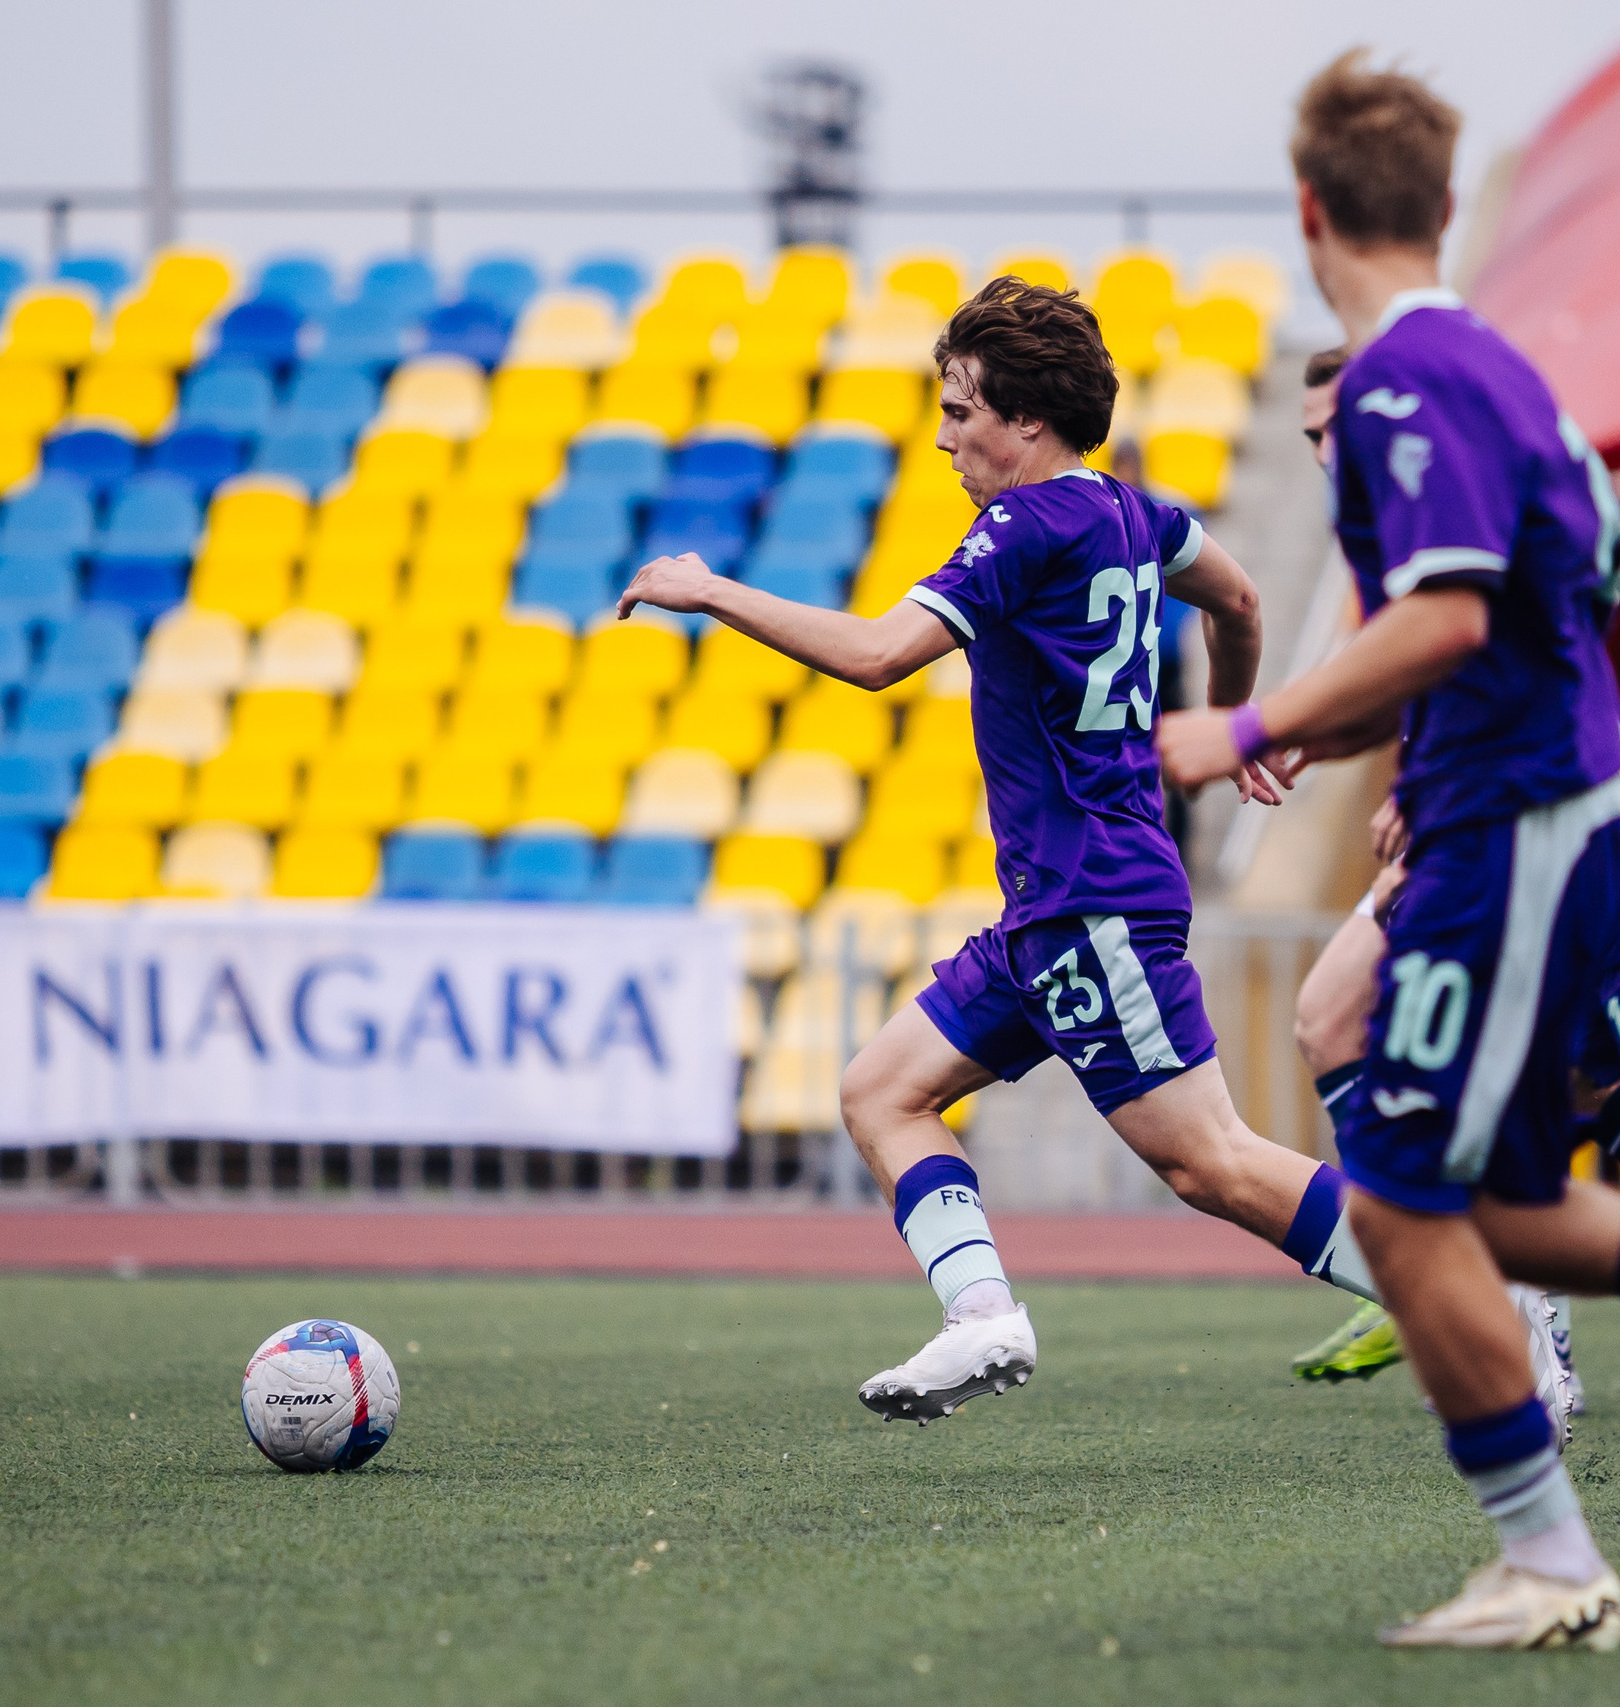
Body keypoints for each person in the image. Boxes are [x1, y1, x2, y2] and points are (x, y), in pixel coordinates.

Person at [1161, 54, 1620, 1651]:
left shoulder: (1408, 385)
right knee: (1473, 1200)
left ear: (1308, 214)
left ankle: (1555, 1559)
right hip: (1543, 811)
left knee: (1410, 1201)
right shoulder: (1507, 372)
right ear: (1440, 202)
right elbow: (1559, 591)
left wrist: (1241, 723)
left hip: (1518, 835)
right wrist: (1363, 735)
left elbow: (1449, 613)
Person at [619, 275, 1543, 1427]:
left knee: (1213, 1163)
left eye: (961, 411)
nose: (946, 434)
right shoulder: (1129, 512)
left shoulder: (1021, 523)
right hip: (1050, 908)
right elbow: (1241, 598)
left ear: (1028, 421)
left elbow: (874, 656)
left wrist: (709, 592)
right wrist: (1240, 729)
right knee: (882, 1092)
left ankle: (1483, 1300)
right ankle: (981, 1317)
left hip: (1092, 900)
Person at [1281, 348, 1620, 1398]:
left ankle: (1474, 1293)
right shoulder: (1391, 524)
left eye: (1338, 425)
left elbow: (1491, 657)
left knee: (1348, 1027)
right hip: (1497, 820)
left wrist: (1407, 787)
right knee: (1598, 1092)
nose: (1329, 450)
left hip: (1527, 832)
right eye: (1311, 438)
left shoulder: (1447, 508)